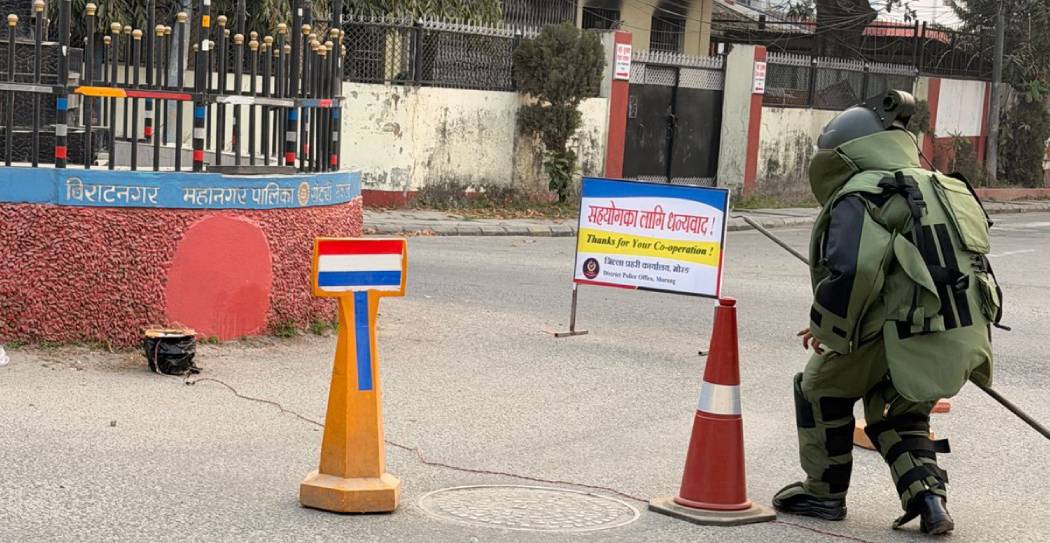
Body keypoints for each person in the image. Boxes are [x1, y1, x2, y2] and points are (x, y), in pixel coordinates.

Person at [772, 90, 1004, 535]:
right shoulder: (945, 186)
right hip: (959, 328)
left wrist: (829, 329)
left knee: (819, 386)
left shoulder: (862, 193)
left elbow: (855, 270)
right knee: (899, 408)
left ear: (843, 153)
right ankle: (930, 501)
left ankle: (823, 493)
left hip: (902, 325)